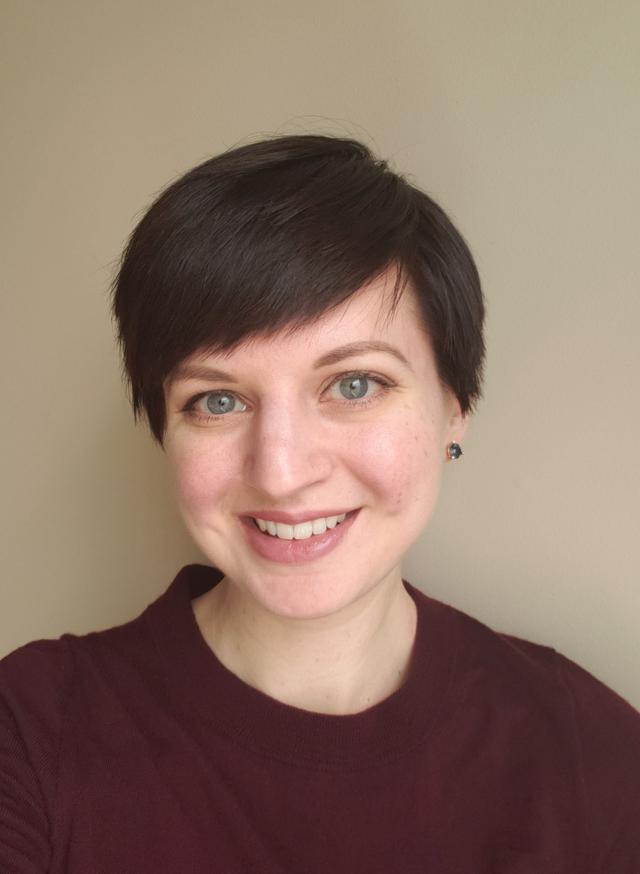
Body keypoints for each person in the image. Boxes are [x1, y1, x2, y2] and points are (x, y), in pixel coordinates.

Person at [1, 134, 639, 873]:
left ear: (454, 406)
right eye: (216, 399)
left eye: (355, 385)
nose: (280, 473)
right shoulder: (29, 732)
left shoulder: (588, 752)